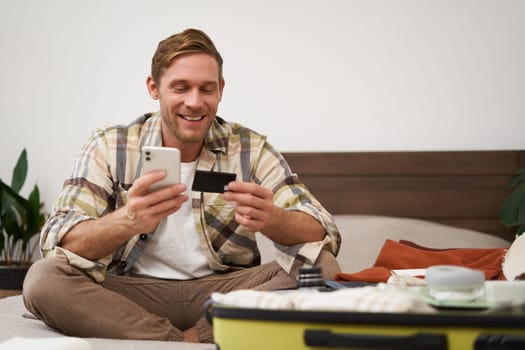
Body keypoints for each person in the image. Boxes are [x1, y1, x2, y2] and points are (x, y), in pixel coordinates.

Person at [22, 28, 341, 343]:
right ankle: (179, 339)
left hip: (227, 291)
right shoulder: (110, 145)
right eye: (181, 87)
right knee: (43, 280)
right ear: (154, 87)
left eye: (206, 89)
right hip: (132, 294)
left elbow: (323, 230)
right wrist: (127, 221)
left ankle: (194, 334)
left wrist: (275, 220)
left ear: (221, 89)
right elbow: (57, 241)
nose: (195, 102)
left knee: (322, 267)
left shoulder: (250, 149)